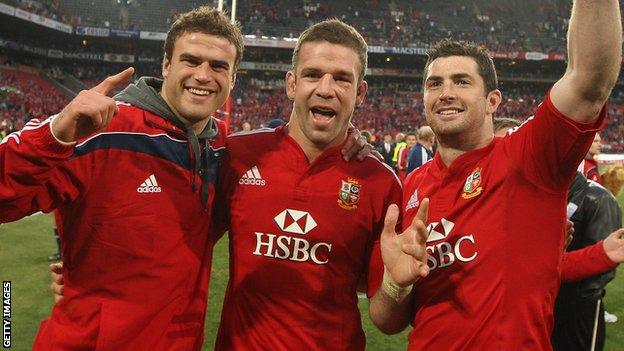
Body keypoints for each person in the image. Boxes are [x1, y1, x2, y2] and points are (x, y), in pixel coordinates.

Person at [369, 1, 622, 349]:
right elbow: (386, 321)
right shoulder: (409, 189)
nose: (446, 93)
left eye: (461, 81)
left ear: (493, 100)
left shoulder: (529, 158)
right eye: (434, 83)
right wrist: (396, 285)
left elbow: (590, 79)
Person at [0, 7, 242, 349]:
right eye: (191, 60)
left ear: (233, 78)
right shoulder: (102, 130)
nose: (203, 75)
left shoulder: (225, 151)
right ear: (166, 66)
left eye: (219, 66)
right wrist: (55, 133)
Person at [211, 19, 402, 350]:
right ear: (291, 84)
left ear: (360, 93)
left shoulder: (381, 184)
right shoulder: (238, 156)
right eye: (312, 74)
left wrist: (399, 286)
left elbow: (388, 321)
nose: (325, 89)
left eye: (342, 79)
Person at [552, 172, 622, 351]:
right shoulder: (541, 193)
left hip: (577, 311)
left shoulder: (599, 199)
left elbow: (599, 275)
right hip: (545, 304)